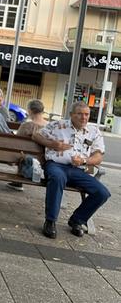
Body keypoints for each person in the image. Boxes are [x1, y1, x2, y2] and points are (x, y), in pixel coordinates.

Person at [33, 101, 111, 239]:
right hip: (56, 165)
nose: (84, 117)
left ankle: (77, 220)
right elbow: (36, 135)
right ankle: (50, 221)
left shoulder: (94, 131)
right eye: (79, 114)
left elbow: (98, 156)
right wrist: (53, 144)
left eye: (86, 114)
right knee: (57, 178)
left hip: (78, 170)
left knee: (102, 193)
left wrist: (84, 161)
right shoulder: (58, 125)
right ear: (71, 115)